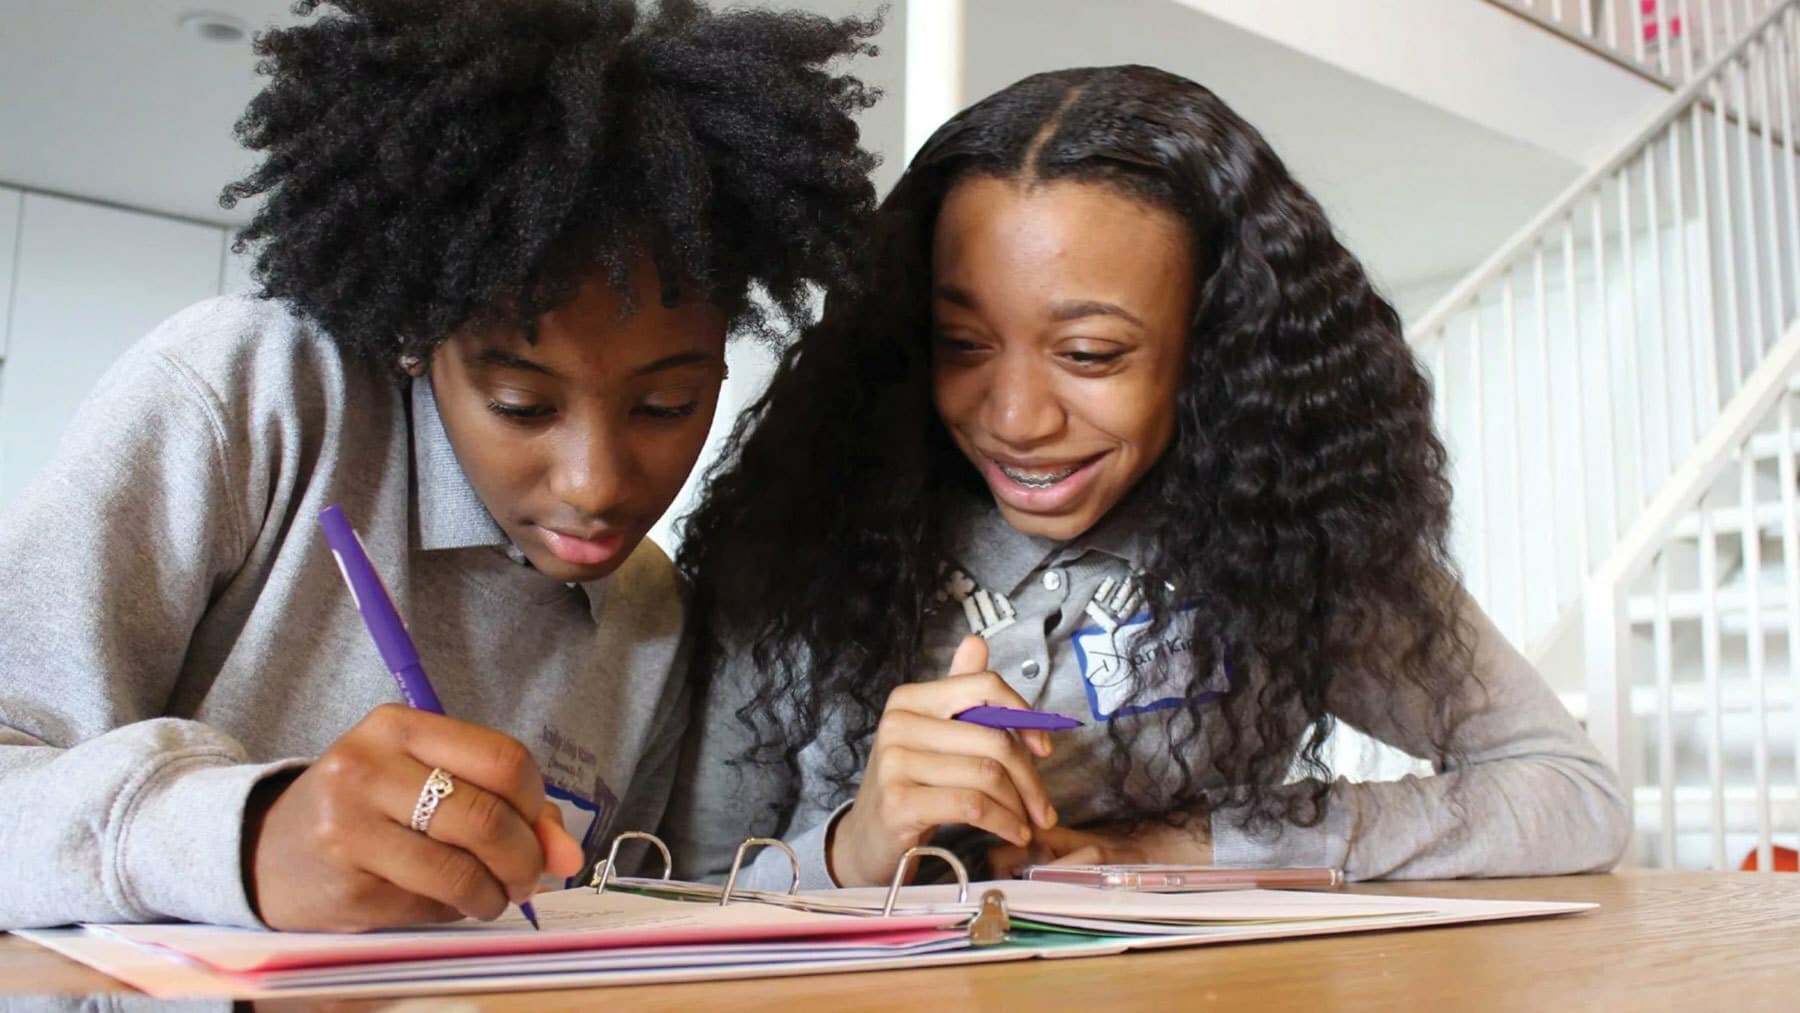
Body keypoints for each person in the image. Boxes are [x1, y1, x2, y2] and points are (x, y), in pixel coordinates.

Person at [0, 0, 879, 931]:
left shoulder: (652, 616)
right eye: (522, 405)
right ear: (420, 338)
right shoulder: (261, 395)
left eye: (666, 406)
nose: (596, 485)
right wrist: (243, 837)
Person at [667, 64, 1631, 890]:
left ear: (1210, 353)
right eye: (963, 343)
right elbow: (675, 894)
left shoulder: (1289, 537)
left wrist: (1189, 842)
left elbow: (1570, 792)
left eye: (1088, 353)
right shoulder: (800, 537)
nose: (1015, 420)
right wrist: (856, 845)